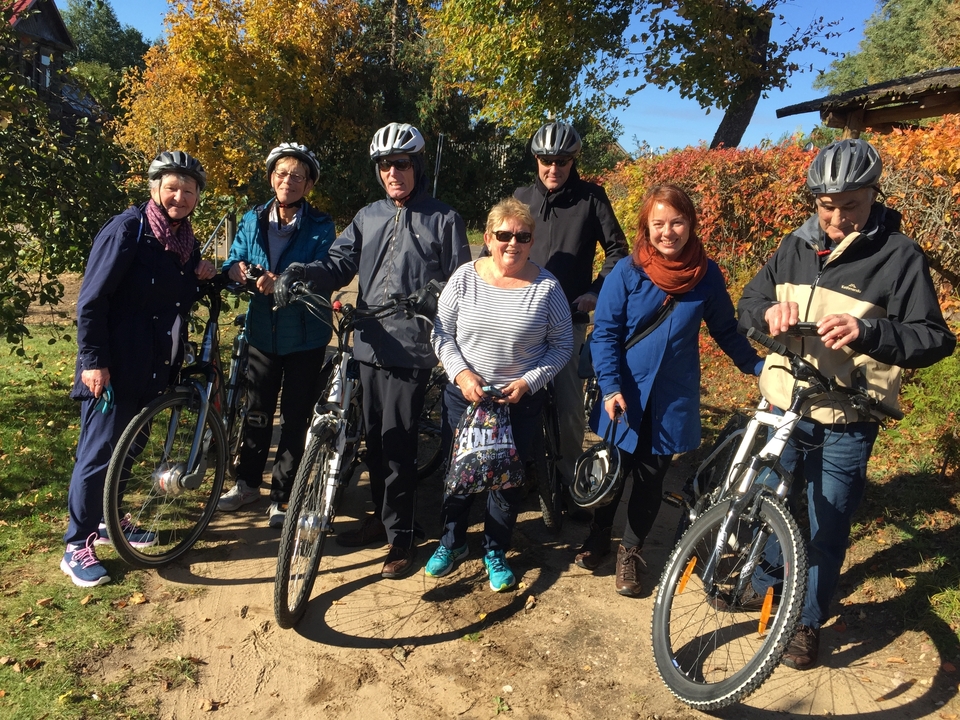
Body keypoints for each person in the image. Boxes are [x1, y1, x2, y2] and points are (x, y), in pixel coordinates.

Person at [736, 138, 955, 669]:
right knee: (772, 502)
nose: (836, 220)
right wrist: (767, 317)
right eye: (826, 207)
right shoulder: (794, 245)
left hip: (848, 415)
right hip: (787, 405)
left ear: (874, 195)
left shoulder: (898, 256)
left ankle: (805, 619)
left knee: (825, 522)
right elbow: (748, 303)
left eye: (850, 206)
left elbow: (934, 338)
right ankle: (765, 582)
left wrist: (867, 331)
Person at [275, 122, 470, 579]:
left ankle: (401, 538)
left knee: (398, 445)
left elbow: (463, 279)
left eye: (401, 163)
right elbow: (339, 262)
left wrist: (435, 292)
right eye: (384, 165)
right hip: (366, 342)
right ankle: (384, 523)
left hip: (410, 348)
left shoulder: (444, 218)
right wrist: (304, 271)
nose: (392, 172)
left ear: (417, 166)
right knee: (373, 445)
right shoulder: (368, 215)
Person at [581, 184, 763, 597]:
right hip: (623, 392)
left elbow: (725, 330)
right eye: (658, 223)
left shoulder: (707, 275)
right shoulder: (628, 272)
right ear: (646, 226)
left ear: (690, 223)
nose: (668, 232)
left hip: (671, 398)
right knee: (613, 469)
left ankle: (631, 551)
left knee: (650, 478)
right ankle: (597, 535)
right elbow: (606, 333)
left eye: (676, 222)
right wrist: (609, 386)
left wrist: (756, 366)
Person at [62, 151, 216, 587]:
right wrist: (93, 362)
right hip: (113, 368)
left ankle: (110, 520)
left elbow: (179, 293)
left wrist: (204, 272)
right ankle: (77, 544)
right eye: (172, 187)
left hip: (154, 368)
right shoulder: (128, 229)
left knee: (130, 448)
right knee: (97, 455)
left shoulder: (184, 241)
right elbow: (92, 300)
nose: (179, 196)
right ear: (153, 188)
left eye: (188, 190)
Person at [427, 197, 573, 591]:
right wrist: (460, 375)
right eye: (504, 235)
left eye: (522, 236)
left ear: (531, 240)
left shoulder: (546, 288)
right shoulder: (464, 279)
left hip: (517, 402)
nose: (513, 243)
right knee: (457, 476)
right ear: (489, 238)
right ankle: (452, 542)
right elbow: (441, 333)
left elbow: (562, 345)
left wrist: (529, 382)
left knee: (505, 481)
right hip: (467, 397)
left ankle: (495, 550)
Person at [216, 143, 336, 529]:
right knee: (256, 410)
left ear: (308, 185)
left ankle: (282, 497)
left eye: (298, 176)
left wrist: (287, 279)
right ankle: (247, 482)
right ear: (271, 177)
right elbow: (233, 258)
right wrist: (236, 272)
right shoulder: (252, 219)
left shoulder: (320, 225)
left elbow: (325, 269)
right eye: (282, 174)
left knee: (296, 415)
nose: (288, 181)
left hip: (305, 335)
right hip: (261, 333)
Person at [513, 121, 628, 488]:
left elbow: (618, 251)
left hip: (568, 317)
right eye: (546, 160)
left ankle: (568, 481)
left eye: (562, 161)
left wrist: (598, 290)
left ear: (573, 161)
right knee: (515, 397)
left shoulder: (591, 198)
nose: (553, 168)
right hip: (522, 317)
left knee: (568, 408)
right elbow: (496, 251)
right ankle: (521, 470)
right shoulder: (520, 199)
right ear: (536, 159)